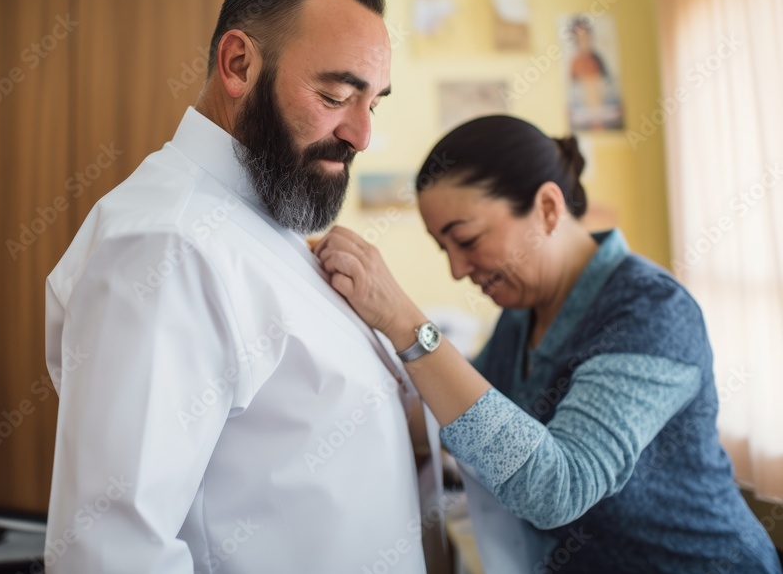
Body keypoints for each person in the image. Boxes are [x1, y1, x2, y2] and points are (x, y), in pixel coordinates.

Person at [44, 0, 444, 573]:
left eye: (373, 103)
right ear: (239, 64)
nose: (361, 135)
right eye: (336, 95)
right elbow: (111, 552)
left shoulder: (261, 220)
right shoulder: (168, 246)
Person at [313, 114, 782, 573]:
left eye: (467, 240)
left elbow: (559, 490)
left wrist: (405, 321)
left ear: (548, 208)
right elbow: (458, 415)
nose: (457, 270)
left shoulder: (653, 311)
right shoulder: (521, 313)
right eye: (444, 248)